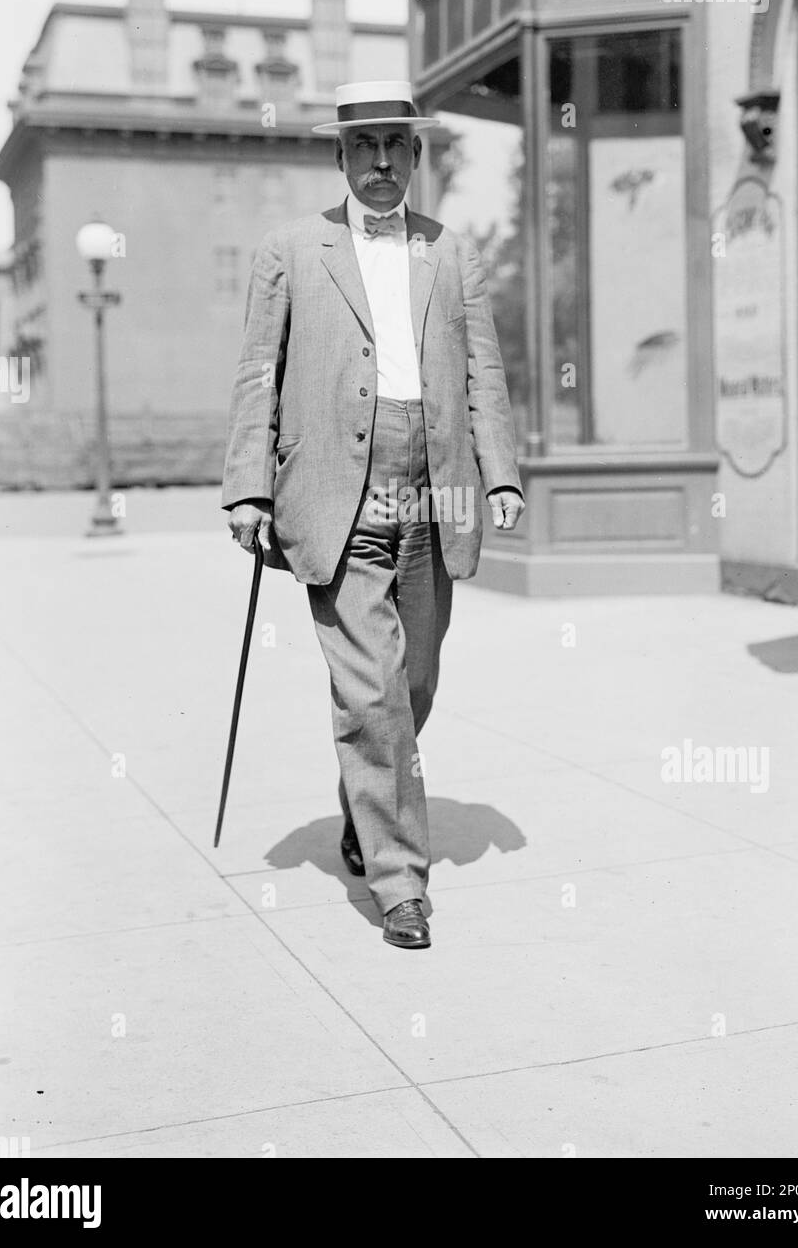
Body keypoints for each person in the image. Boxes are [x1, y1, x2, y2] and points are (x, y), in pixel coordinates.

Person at [223, 80, 524, 948]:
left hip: (435, 491)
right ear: (341, 156)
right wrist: (247, 487)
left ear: (418, 154)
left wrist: (498, 472)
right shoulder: (290, 249)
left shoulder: (449, 252)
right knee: (373, 692)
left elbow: (483, 373)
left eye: (397, 145)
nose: (383, 162)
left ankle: (369, 800)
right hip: (335, 495)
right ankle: (401, 884)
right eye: (366, 147)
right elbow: (257, 375)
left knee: (414, 681)